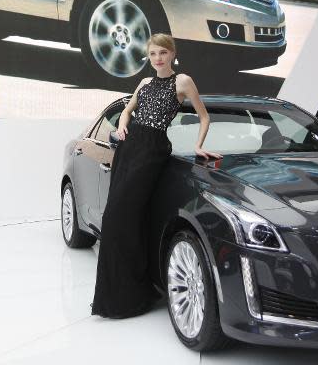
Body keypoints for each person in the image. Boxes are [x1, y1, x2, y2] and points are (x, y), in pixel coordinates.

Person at [90, 32, 222, 319]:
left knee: (123, 218)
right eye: (153, 54)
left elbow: (204, 116)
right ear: (148, 57)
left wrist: (199, 146)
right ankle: (116, 297)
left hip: (153, 149)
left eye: (163, 53)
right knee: (115, 219)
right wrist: (123, 127)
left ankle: (130, 297)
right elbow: (127, 111)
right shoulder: (144, 82)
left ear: (172, 54)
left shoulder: (183, 81)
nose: (158, 59)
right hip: (129, 147)